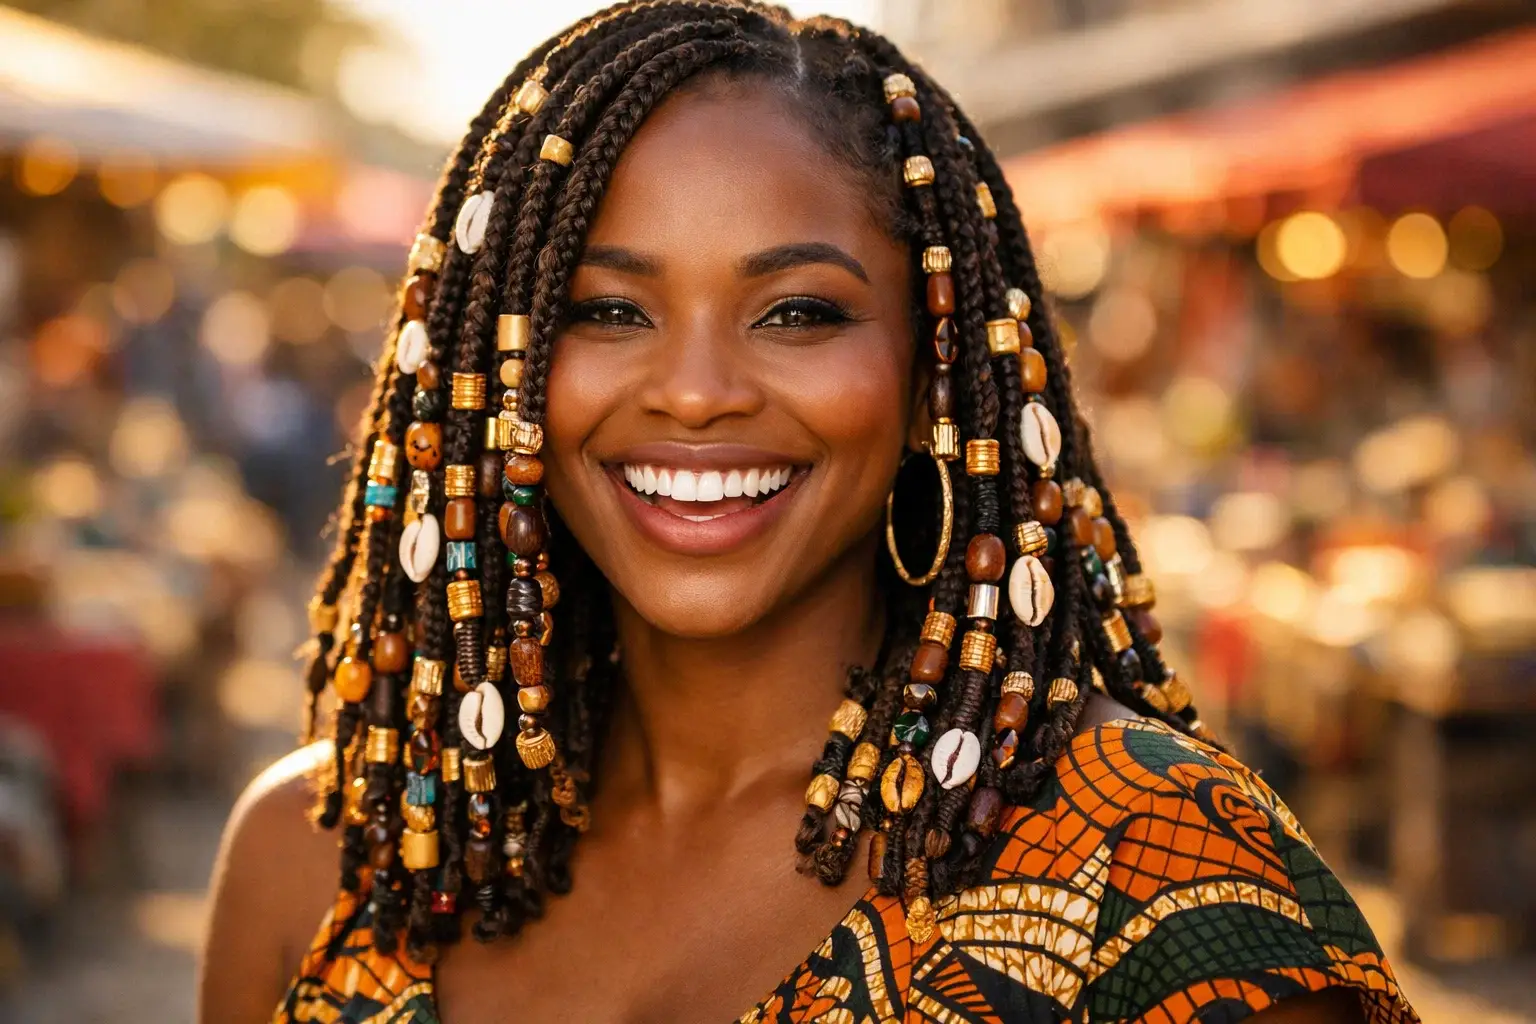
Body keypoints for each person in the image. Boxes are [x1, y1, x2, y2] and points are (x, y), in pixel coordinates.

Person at [199, 4, 1420, 1021]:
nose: (694, 391)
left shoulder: (1156, 880)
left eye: (798, 312)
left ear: (935, 370)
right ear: (495, 370)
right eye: (608, 311)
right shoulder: (324, 861)